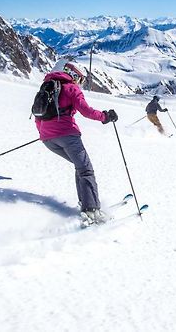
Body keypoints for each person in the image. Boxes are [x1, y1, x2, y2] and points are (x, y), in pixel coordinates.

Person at [35, 61, 118, 226]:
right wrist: (105, 117)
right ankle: (92, 211)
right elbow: (86, 111)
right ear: (72, 74)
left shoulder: (47, 87)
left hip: (48, 139)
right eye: (79, 78)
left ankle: (86, 203)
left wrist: (46, 133)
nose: (79, 82)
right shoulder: (71, 88)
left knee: (80, 167)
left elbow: (39, 114)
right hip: (67, 136)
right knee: (86, 170)